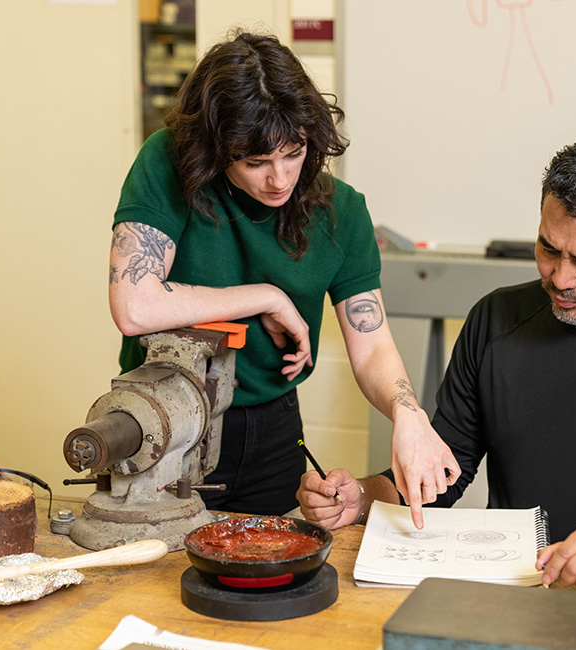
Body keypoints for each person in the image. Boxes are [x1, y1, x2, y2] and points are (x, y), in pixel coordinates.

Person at [297, 139, 576, 595]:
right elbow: (444, 471)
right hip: (515, 587)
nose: (560, 278)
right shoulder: (495, 320)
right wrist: (359, 499)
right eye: (548, 248)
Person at [108, 29, 459, 520]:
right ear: (214, 147)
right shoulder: (169, 162)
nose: (279, 179)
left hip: (274, 429)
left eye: (293, 153)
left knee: (270, 573)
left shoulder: (343, 211)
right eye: (255, 162)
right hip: (166, 416)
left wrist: (408, 414)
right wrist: (265, 297)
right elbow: (135, 305)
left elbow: (373, 345)